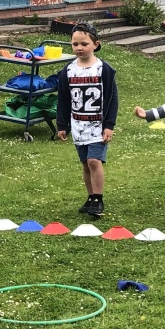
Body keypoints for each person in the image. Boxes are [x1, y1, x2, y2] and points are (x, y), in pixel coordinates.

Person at [56, 22, 119, 217]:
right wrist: (62, 125)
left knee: (94, 161)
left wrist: (109, 125)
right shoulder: (67, 71)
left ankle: (98, 199)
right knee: (85, 163)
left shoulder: (104, 69)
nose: (79, 48)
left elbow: (112, 99)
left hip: (98, 126)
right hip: (78, 126)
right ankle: (90, 197)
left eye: (84, 44)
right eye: (75, 44)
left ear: (95, 44)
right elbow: (63, 100)